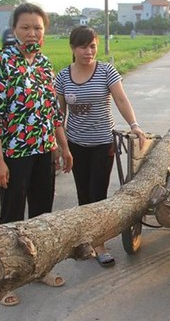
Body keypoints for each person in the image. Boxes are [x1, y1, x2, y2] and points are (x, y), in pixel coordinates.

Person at [0, 3, 73, 306]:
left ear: (44, 32)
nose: (32, 33)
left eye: (38, 28)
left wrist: (63, 145)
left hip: (44, 149)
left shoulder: (45, 63)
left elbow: (51, 110)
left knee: (42, 213)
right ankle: (4, 279)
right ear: (14, 30)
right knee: (10, 216)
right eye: (25, 27)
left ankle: (39, 269)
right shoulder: (0, 64)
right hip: (14, 153)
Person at [55, 26, 146, 267]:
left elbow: (121, 99)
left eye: (92, 46)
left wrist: (134, 125)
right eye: (83, 47)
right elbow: (58, 114)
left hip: (103, 143)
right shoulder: (64, 76)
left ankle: (100, 243)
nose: (89, 51)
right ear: (73, 49)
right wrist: (60, 146)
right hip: (75, 144)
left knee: (98, 192)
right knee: (83, 193)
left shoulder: (106, 72)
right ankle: (85, 238)